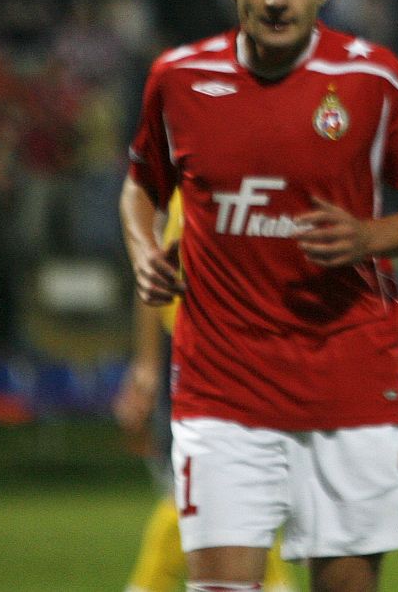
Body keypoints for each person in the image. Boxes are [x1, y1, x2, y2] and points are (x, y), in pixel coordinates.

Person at [121, 0, 398, 592]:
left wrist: (371, 236)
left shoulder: (372, 79)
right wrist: (141, 250)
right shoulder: (179, 79)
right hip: (223, 388)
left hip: (350, 381)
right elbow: (140, 185)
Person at [113, 194, 296, 592]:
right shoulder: (183, 170)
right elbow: (153, 264)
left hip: (243, 357)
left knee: (209, 498)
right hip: (186, 358)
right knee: (201, 497)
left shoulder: (250, 178)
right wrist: (146, 364)